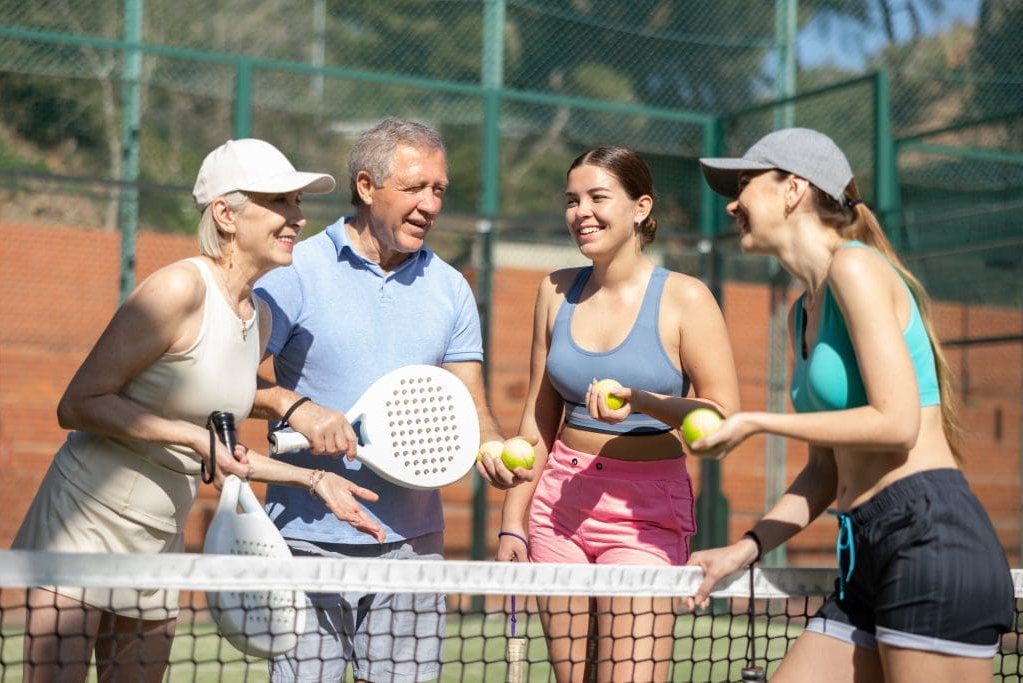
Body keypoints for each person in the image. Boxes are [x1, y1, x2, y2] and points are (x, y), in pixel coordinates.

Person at [11, 138, 386, 683]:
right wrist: (190, 439)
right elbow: (78, 403)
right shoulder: (178, 288)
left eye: (297, 204)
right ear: (225, 214)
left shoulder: (257, 318)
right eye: (280, 202)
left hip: (161, 539)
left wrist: (313, 482)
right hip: (81, 525)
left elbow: (224, 452)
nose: (297, 218)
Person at [688, 127, 1014, 682]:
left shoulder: (855, 266)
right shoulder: (801, 313)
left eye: (745, 184)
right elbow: (823, 472)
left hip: (928, 538)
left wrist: (754, 423)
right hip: (866, 547)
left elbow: (896, 423)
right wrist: (747, 547)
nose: (732, 203)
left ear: (794, 189)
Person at [253, 117, 527, 683]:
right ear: (366, 186)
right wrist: (296, 407)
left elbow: (467, 402)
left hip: (413, 550)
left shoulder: (451, 287)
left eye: (439, 190)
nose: (430, 204)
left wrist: (492, 445)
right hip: (305, 542)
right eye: (415, 187)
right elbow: (236, 385)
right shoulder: (295, 270)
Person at [496, 146, 741, 683]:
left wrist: (644, 402)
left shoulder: (687, 298)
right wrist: (513, 522)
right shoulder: (553, 291)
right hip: (559, 503)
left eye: (597, 197)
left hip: (646, 513)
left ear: (640, 207)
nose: (581, 212)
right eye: (571, 200)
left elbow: (723, 415)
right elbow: (538, 417)